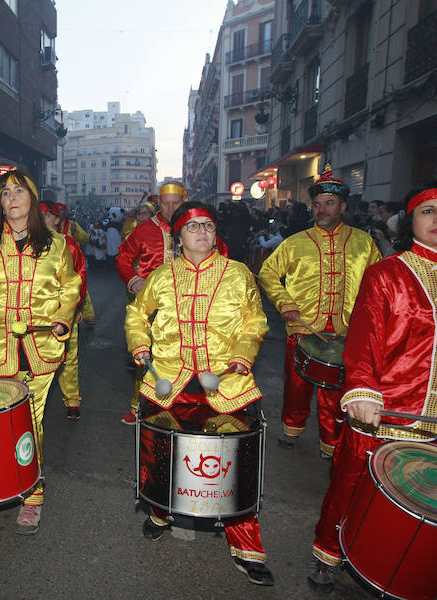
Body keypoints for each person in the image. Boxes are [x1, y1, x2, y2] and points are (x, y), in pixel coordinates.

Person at [307, 179, 437, 596]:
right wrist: (364, 391)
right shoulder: (387, 274)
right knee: (352, 487)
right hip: (387, 412)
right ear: (411, 220)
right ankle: (328, 553)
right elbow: (365, 340)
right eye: (429, 211)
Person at [125, 201, 274, 586]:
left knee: (233, 465)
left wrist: (243, 355)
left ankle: (246, 545)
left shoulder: (238, 273)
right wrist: (140, 344)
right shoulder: (161, 276)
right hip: (170, 382)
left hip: (226, 384)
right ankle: (161, 510)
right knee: (160, 452)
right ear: (178, 238)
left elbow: (255, 320)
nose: (203, 233)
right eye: (194, 228)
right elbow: (137, 314)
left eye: (208, 226)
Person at [0, 169, 81, 535]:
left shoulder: (56, 244)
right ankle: (6, 477)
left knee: (28, 420)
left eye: (19, 190)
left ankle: (32, 494)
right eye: (5, 192)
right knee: (0, 419)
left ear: (33, 199)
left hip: (40, 347)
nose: (11, 197)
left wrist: (61, 318)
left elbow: (70, 287)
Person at [258, 168, 382, 458]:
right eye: (317, 204)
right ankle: (292, 428)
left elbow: (378, 285)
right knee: (296, 385)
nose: (321, 209)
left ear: (342, 206)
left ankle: (330, 443)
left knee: (334, 393)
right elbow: (267, 273)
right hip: (302, 328)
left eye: (328, 203)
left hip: (346, 332)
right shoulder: (295, 242)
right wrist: (285, 304)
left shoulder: (364, 243)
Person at [116, 181, 186, 424]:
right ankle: (138, 405)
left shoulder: (196, 227)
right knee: (145, 356)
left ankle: (182, 405)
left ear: (183, 203)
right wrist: (133, 279)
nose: (169, 209)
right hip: (153, 307)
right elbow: (123, 256)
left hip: (189, 305)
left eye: (174, 204)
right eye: (164, 204)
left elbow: (221, 255)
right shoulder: (145, 229)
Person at [41, 201, 88, 420]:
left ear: (57, 219)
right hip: (37, 315)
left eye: (47, 215)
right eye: (38, 214)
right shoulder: (27, 242)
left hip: (64, 312)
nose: (42, 218)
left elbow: (79, 277)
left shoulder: (68, 244)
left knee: (69, 358)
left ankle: (72, 399)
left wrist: (74, 308)